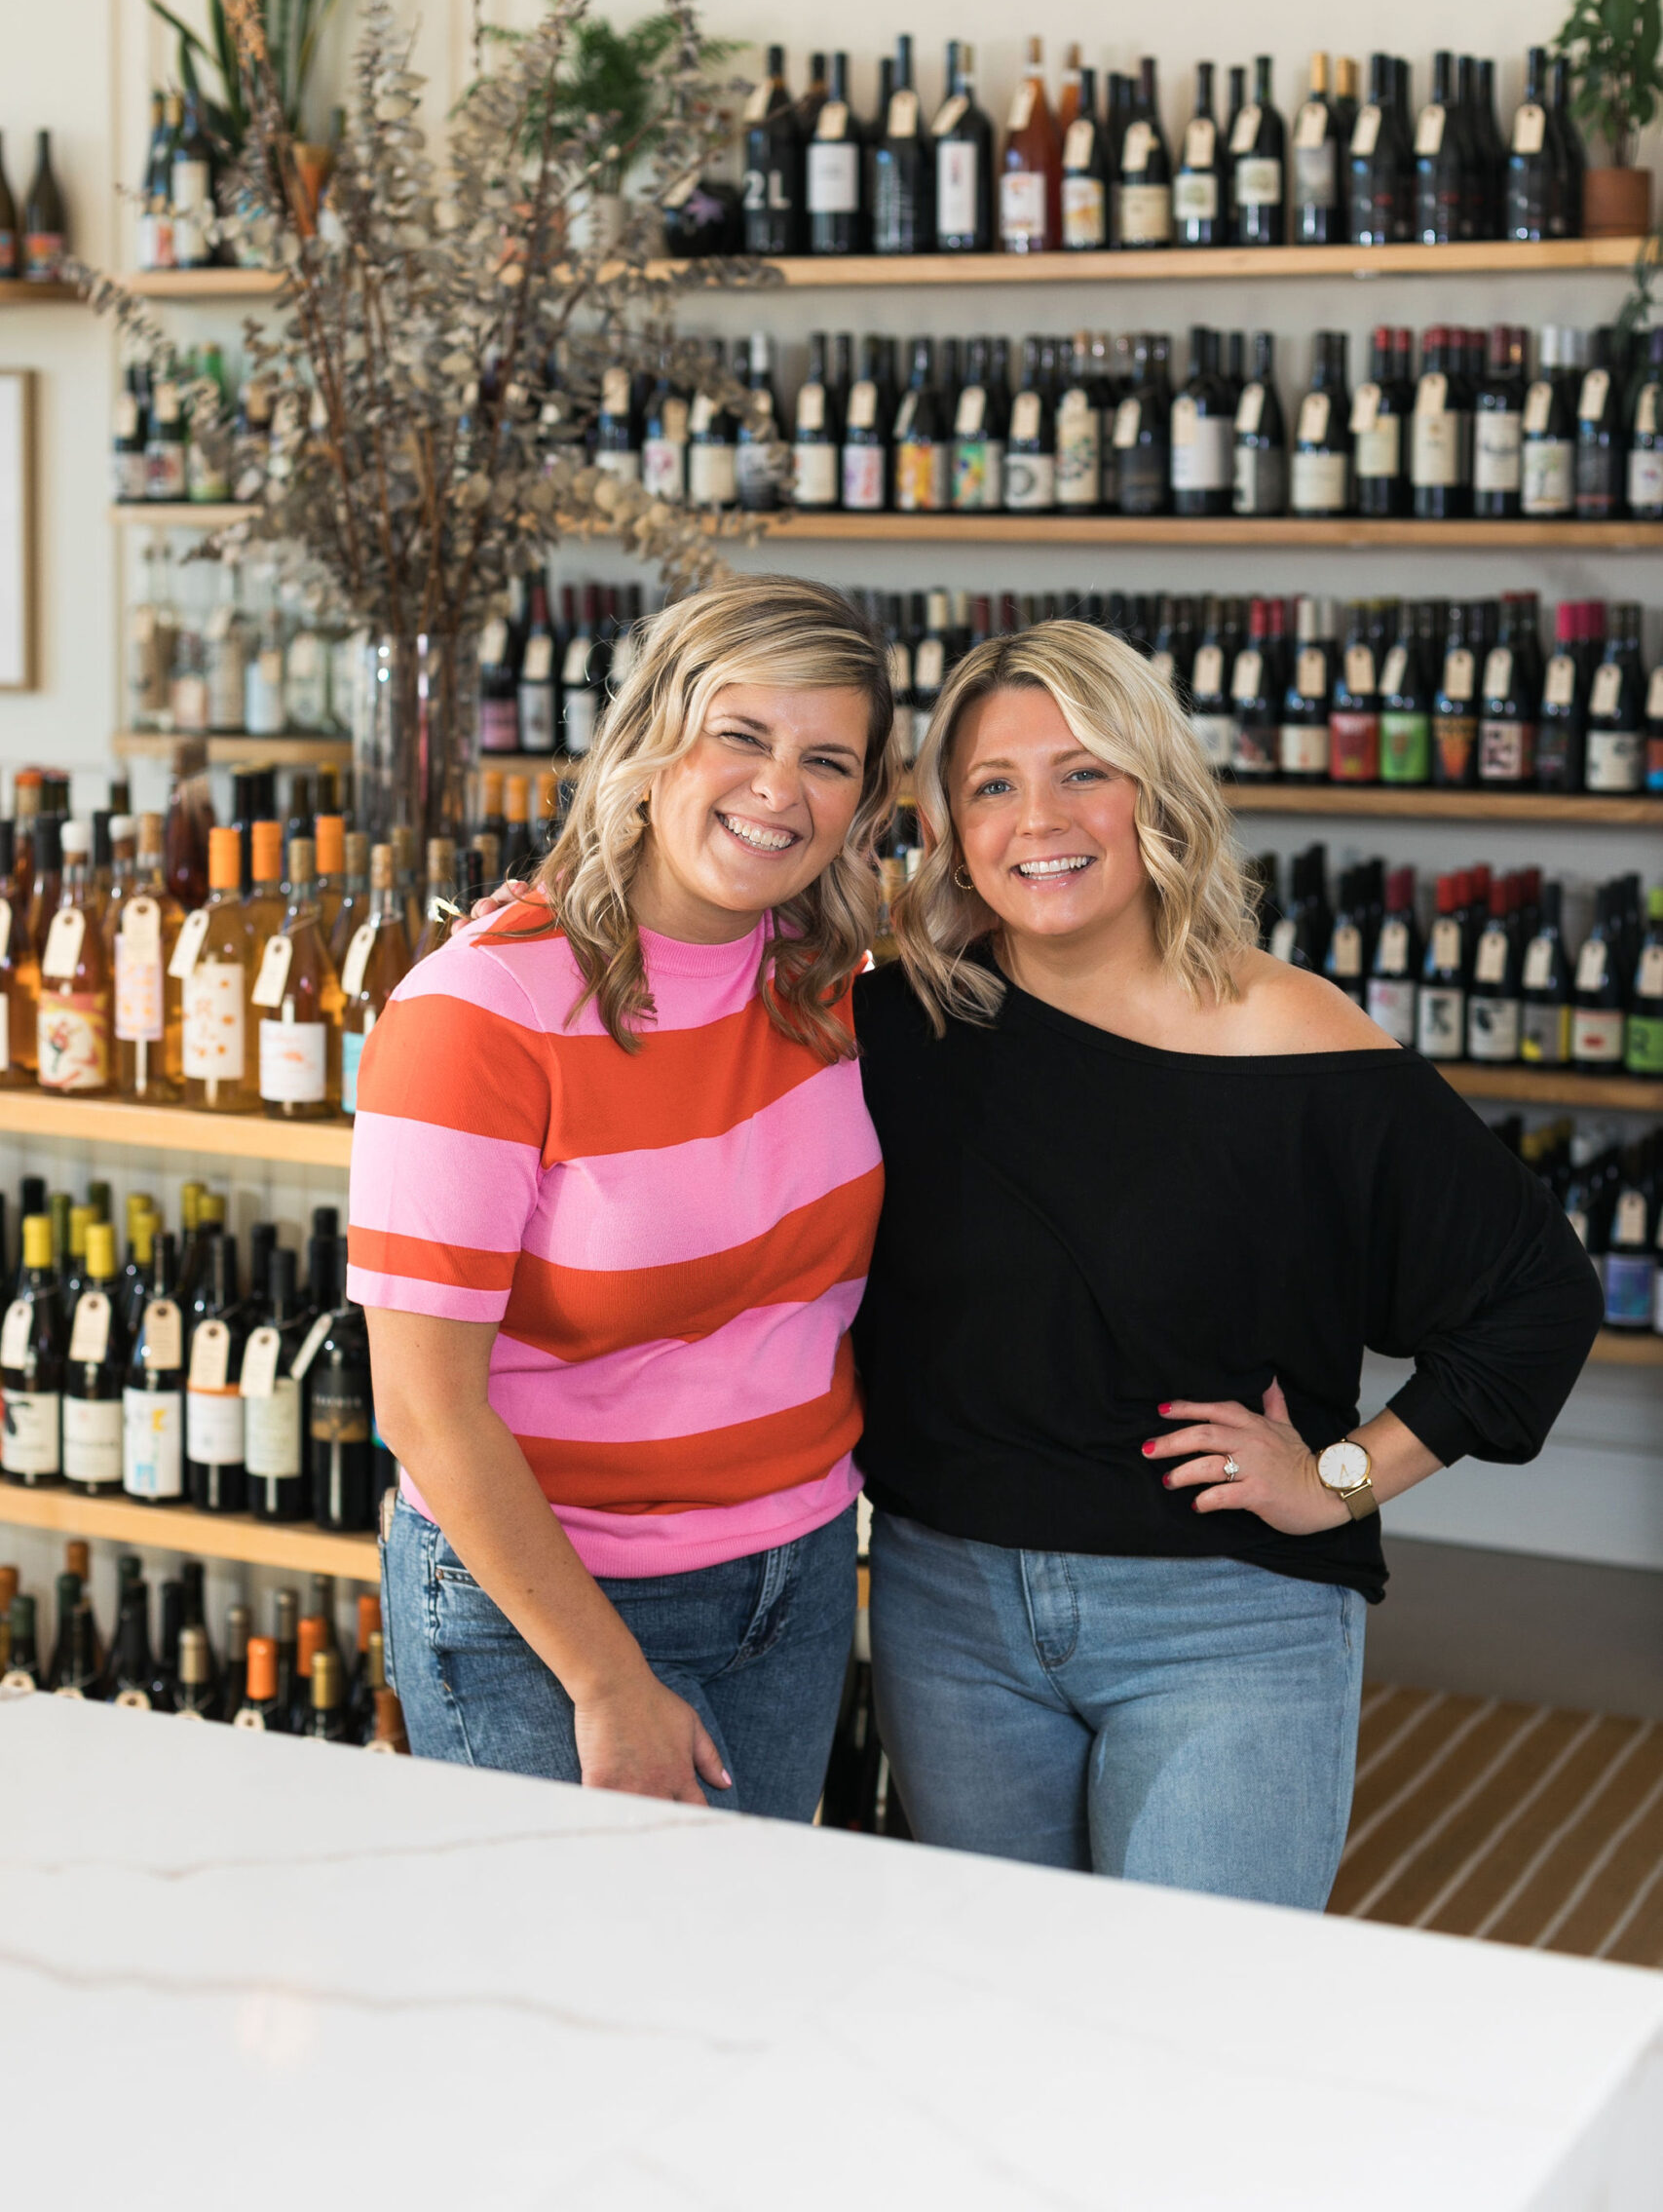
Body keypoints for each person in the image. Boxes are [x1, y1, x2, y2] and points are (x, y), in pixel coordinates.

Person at [853, 619, 1603, 1908]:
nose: (1040, 816)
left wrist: (1342, 1479)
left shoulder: (1290, 1038)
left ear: (1154, 787)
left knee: (1197, 2042)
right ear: (949, 830)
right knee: (999, 2023)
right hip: (947, 1612)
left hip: (1223, 1620)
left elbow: (1533, 1299)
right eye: (991, 785)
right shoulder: (897, 1023)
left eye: (1081, 768)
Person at [347, 576, 900, 1816]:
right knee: (568, 1992)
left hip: (798, 1575)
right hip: (545, 1615)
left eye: (827, 760)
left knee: (740, 1986)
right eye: (741, 736)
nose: (778, 790)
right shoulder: (480, 1014)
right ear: (650, 741)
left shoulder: (833, 986)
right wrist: (606, 1680)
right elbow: (423, 1408)